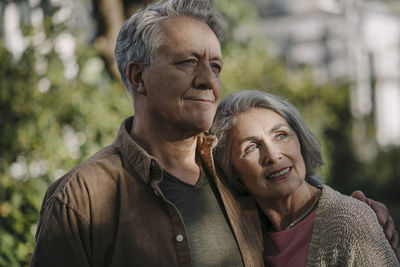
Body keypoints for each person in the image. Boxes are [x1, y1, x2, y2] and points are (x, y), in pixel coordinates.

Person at [30, 0, 398, 266]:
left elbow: (298, 210)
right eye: (188, 62)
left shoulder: (233, 174)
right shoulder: (80, 201)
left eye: (215, 66)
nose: (208, 80)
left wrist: (359, 217)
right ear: (138, 77)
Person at [210, 89, 400, 266]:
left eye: (281, 135)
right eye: (251, 147)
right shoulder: (241, 237)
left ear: (299, 140)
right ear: (232, 171)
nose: (273, 155)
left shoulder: (351, 222)